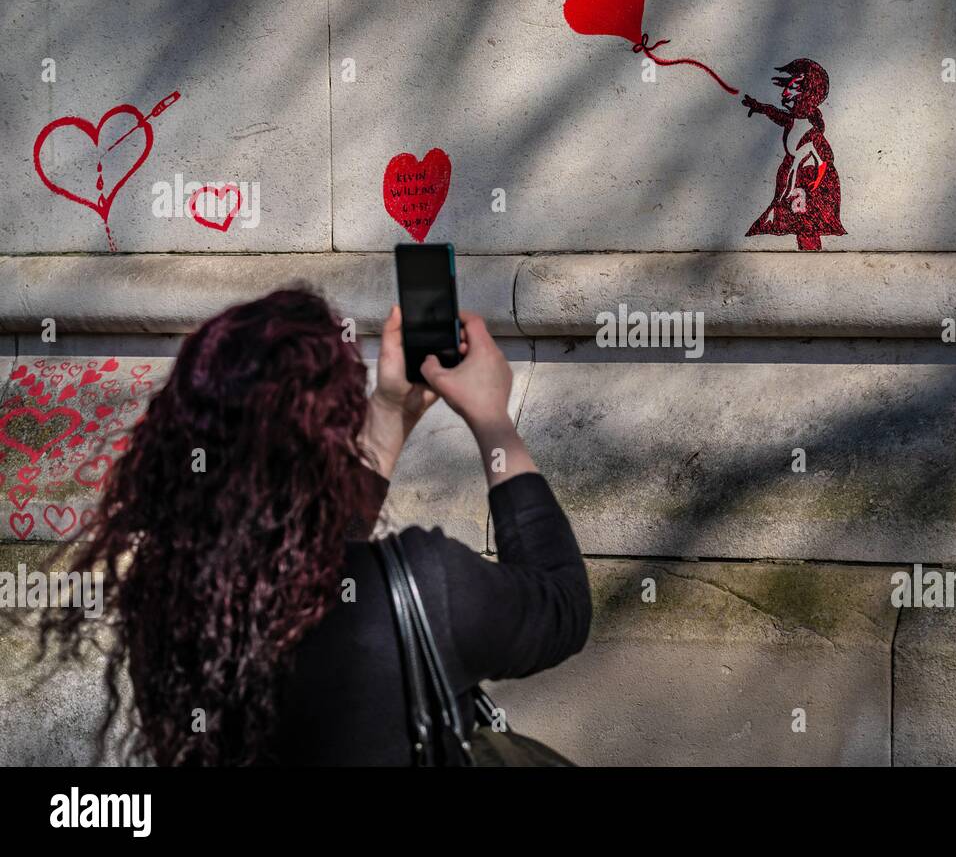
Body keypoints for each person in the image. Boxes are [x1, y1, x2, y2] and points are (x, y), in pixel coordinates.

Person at [38, 288, 591, 766]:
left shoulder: (166, 600)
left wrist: (391, 412)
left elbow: (308, 557)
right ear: (334, 435)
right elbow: (562, 605)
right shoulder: (423, 586)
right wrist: (492, 417)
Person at [741, 58, 846, 252]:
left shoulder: (811, 131)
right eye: (788, 87)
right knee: (796, 224)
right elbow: (776, 114)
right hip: (796, 178)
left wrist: (814, 181)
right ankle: (808, 255)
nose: (786, 93)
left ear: (808, 94)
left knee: (806, 226)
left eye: (794, 88)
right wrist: (760, 107)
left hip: (808, 181)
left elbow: (826, 158)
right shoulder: (792, 121)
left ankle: (810, 258)